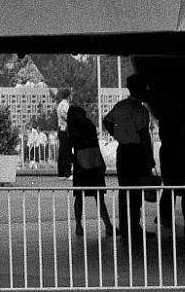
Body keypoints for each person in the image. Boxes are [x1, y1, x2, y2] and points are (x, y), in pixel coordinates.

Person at [103, 75, 156, 240]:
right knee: (135, 191)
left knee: (124, 189)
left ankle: (125, 226)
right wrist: (150, 159)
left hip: (123, 151)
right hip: (137, 152)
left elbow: (107, 121)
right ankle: (134, 227)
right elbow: (144, 136)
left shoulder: (120, 106)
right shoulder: (140, 110)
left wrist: (118, 134)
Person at [64, 105, 113, 237]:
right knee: (98, 195)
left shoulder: (73, 129)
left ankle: (79, 226)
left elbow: (68, 150)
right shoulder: (89, 126)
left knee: (80, 196)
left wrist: (76, 164)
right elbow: (95, 145)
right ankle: (107, 225)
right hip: (93, 161)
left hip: (84, 162)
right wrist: (101, 161)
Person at [55, 89, 74, 179]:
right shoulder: (65, 104)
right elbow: (64, 114)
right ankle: (67, 173)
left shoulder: (60, 104)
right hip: (65, 129)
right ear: (68, 96)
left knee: (62, 151)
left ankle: (61, 173)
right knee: (67, 151)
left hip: (61, 129)